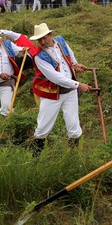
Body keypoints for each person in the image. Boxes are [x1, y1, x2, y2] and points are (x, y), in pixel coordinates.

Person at [28, 23, 91, 155]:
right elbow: (55, 77)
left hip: (70, 92)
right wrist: (78, 85)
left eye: (44, 38)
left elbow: (69, 54)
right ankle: (35, 157)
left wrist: (75, 64)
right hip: (51, 93)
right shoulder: (39, 56)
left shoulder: (61, 41)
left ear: (51, 35)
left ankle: (74, 157)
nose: (42, 42)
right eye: (39, 39)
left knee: (73, 125)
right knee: (43, 127)